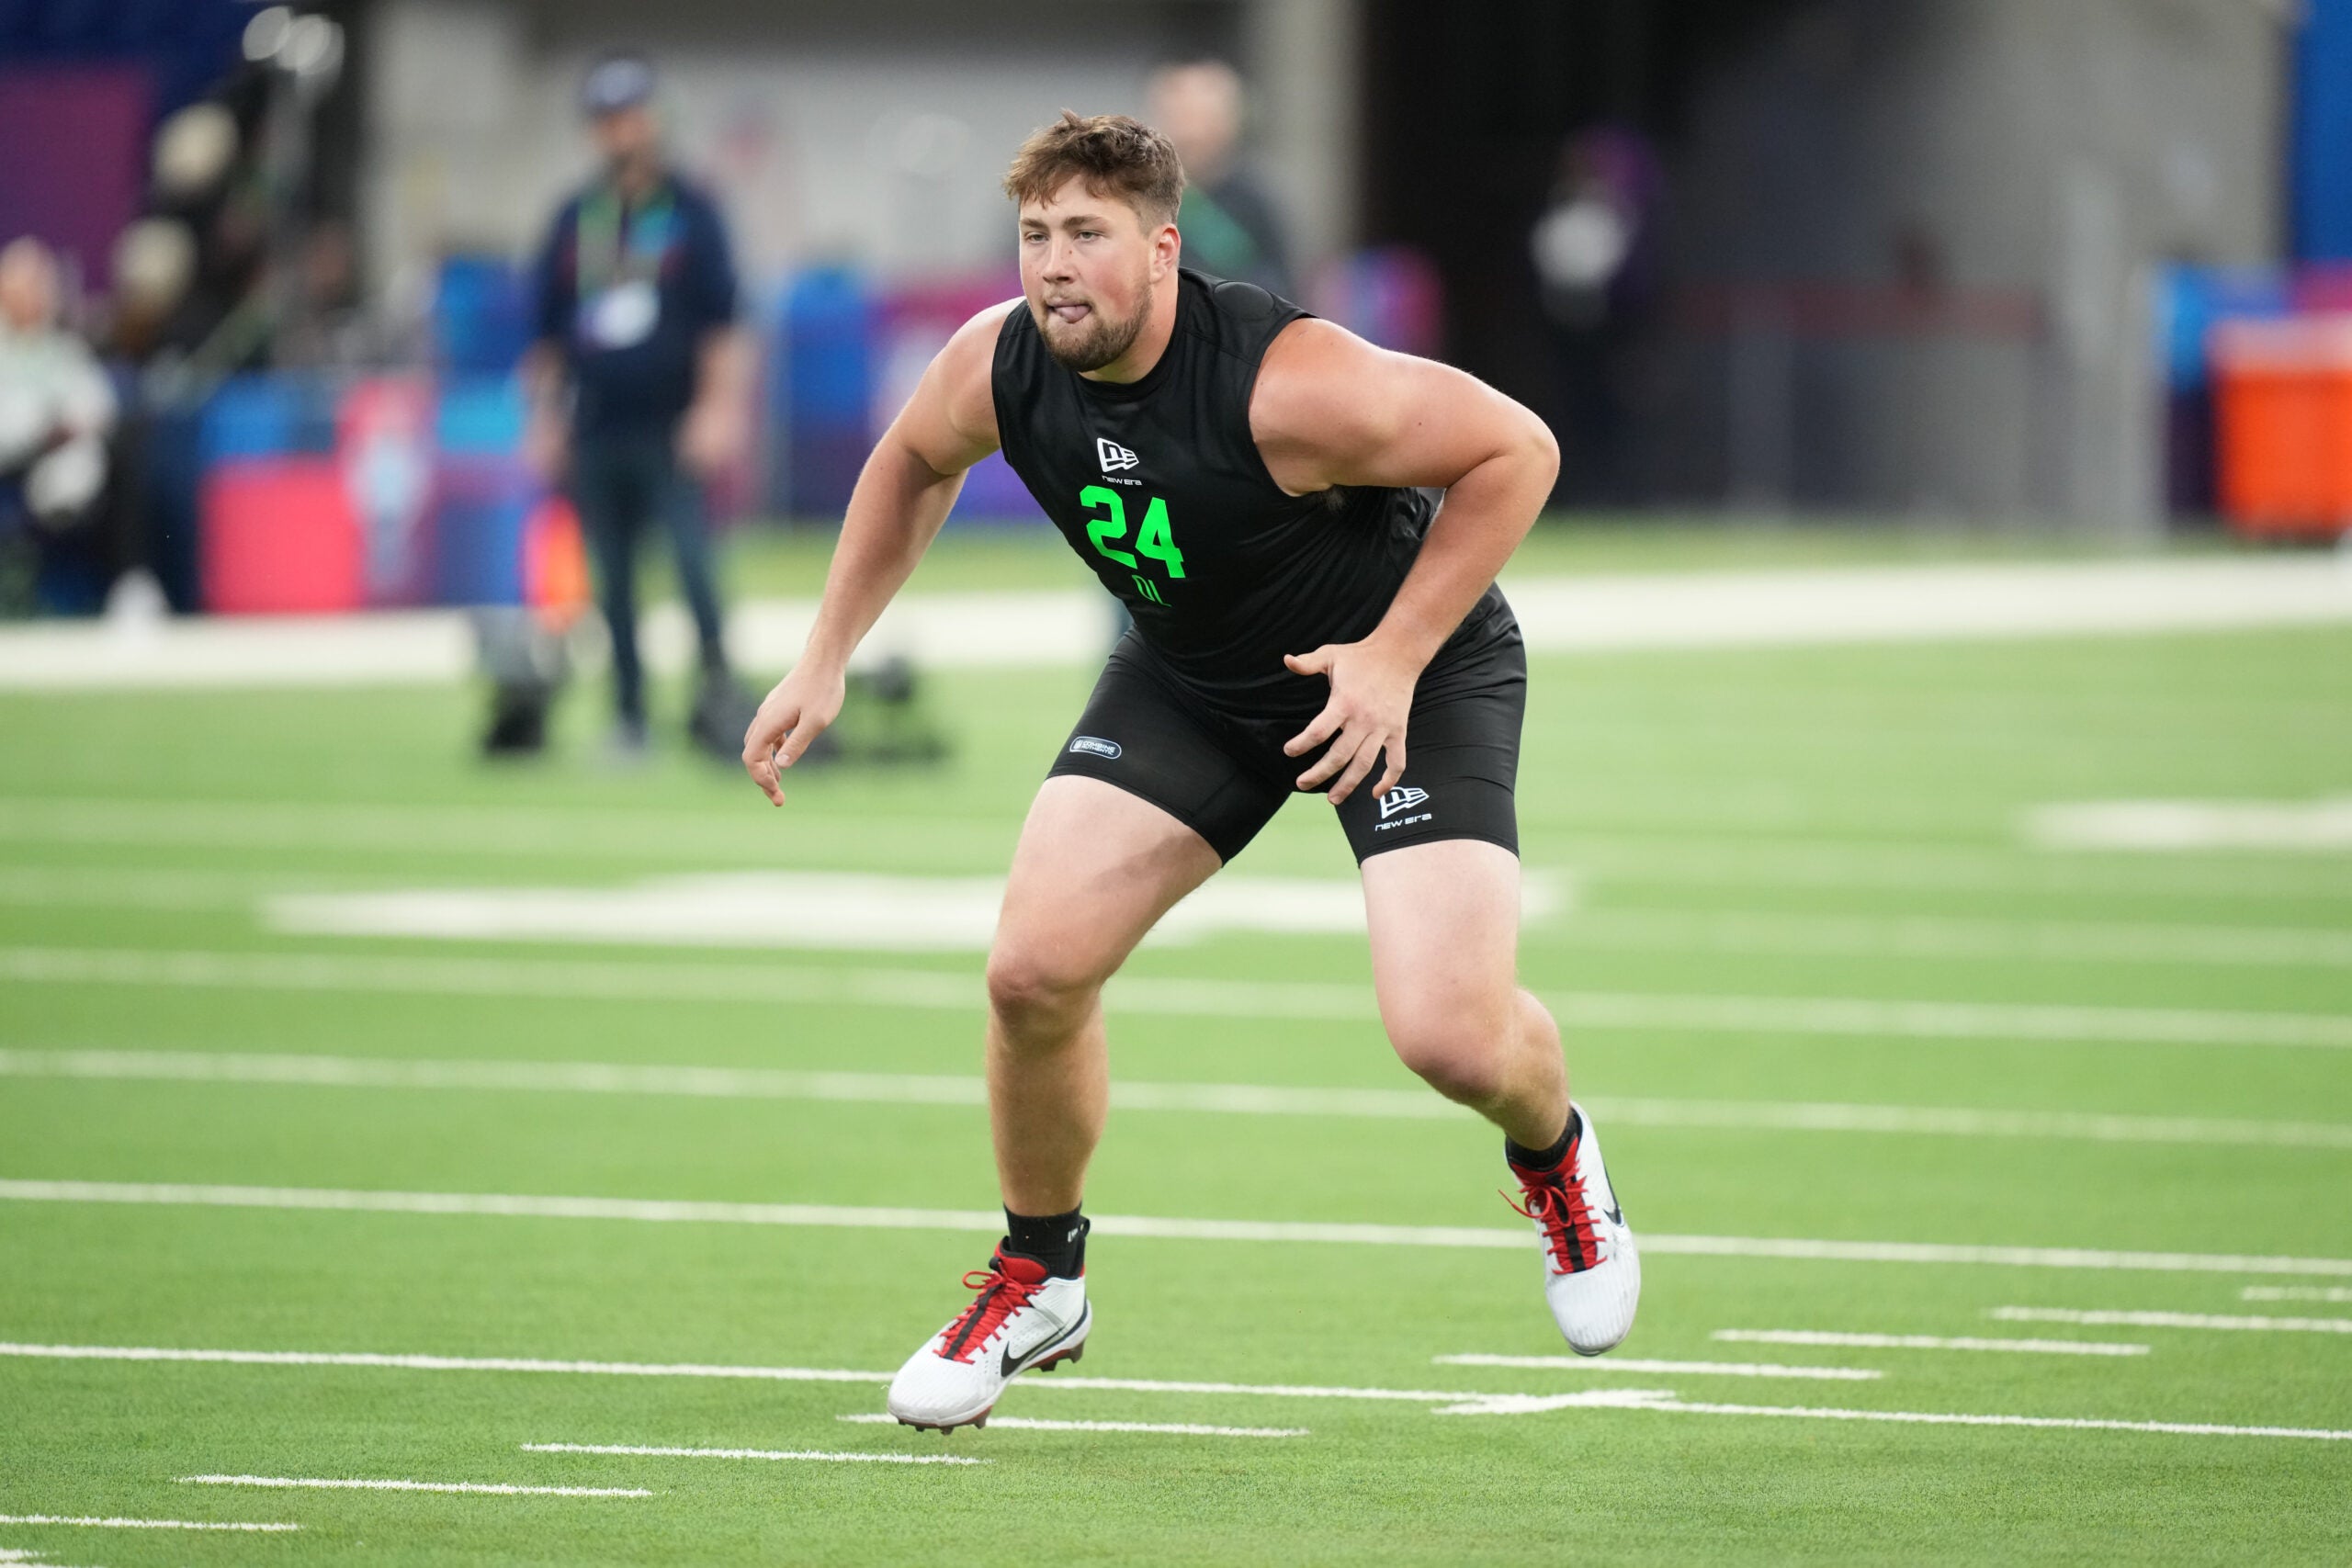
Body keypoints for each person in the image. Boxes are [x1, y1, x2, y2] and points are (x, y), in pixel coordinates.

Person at [741, 112, 1638, 1432]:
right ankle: (1041, 1274)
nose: (1054, 266)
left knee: (1448, 1035)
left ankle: (1557, 1157)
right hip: (1196, 679)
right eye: (1035, 235)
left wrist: (1393, 656)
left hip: (1405, 670)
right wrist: (825, 656)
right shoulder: (999, 362)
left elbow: (1519, 449)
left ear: (1163, 249)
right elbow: (912, 460)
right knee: (1031, 972)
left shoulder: (1289, 381)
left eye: (1086, 235)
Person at [525, 52, 752, 756]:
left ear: (653, 118)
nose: (619, 130)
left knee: (692, 566)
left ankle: (721, 701)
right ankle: (629, 716)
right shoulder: (574, 220)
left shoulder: (692, 212)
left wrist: (716, 409)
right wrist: (545, 418)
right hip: (596, 425)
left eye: (629, 115)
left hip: (670, 423)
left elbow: (722, 323)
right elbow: (546, 335)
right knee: (612, 581)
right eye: (606, 118)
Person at [0, 238, 117, 615]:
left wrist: (71, 425)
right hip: (11, 461)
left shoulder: (62, 348)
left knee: (97, 456)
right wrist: (38, 426)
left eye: (40, 287)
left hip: (55, 460)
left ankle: (126, 581)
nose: (35, 297)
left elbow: (99, 403)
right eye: (24, 287)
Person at [1147, 60, 1295, 298]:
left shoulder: (1257, 200)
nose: (1191, 132)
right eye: (1179, 115)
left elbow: (1283, 290)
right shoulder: (1139, 193)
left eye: (1202, 115)